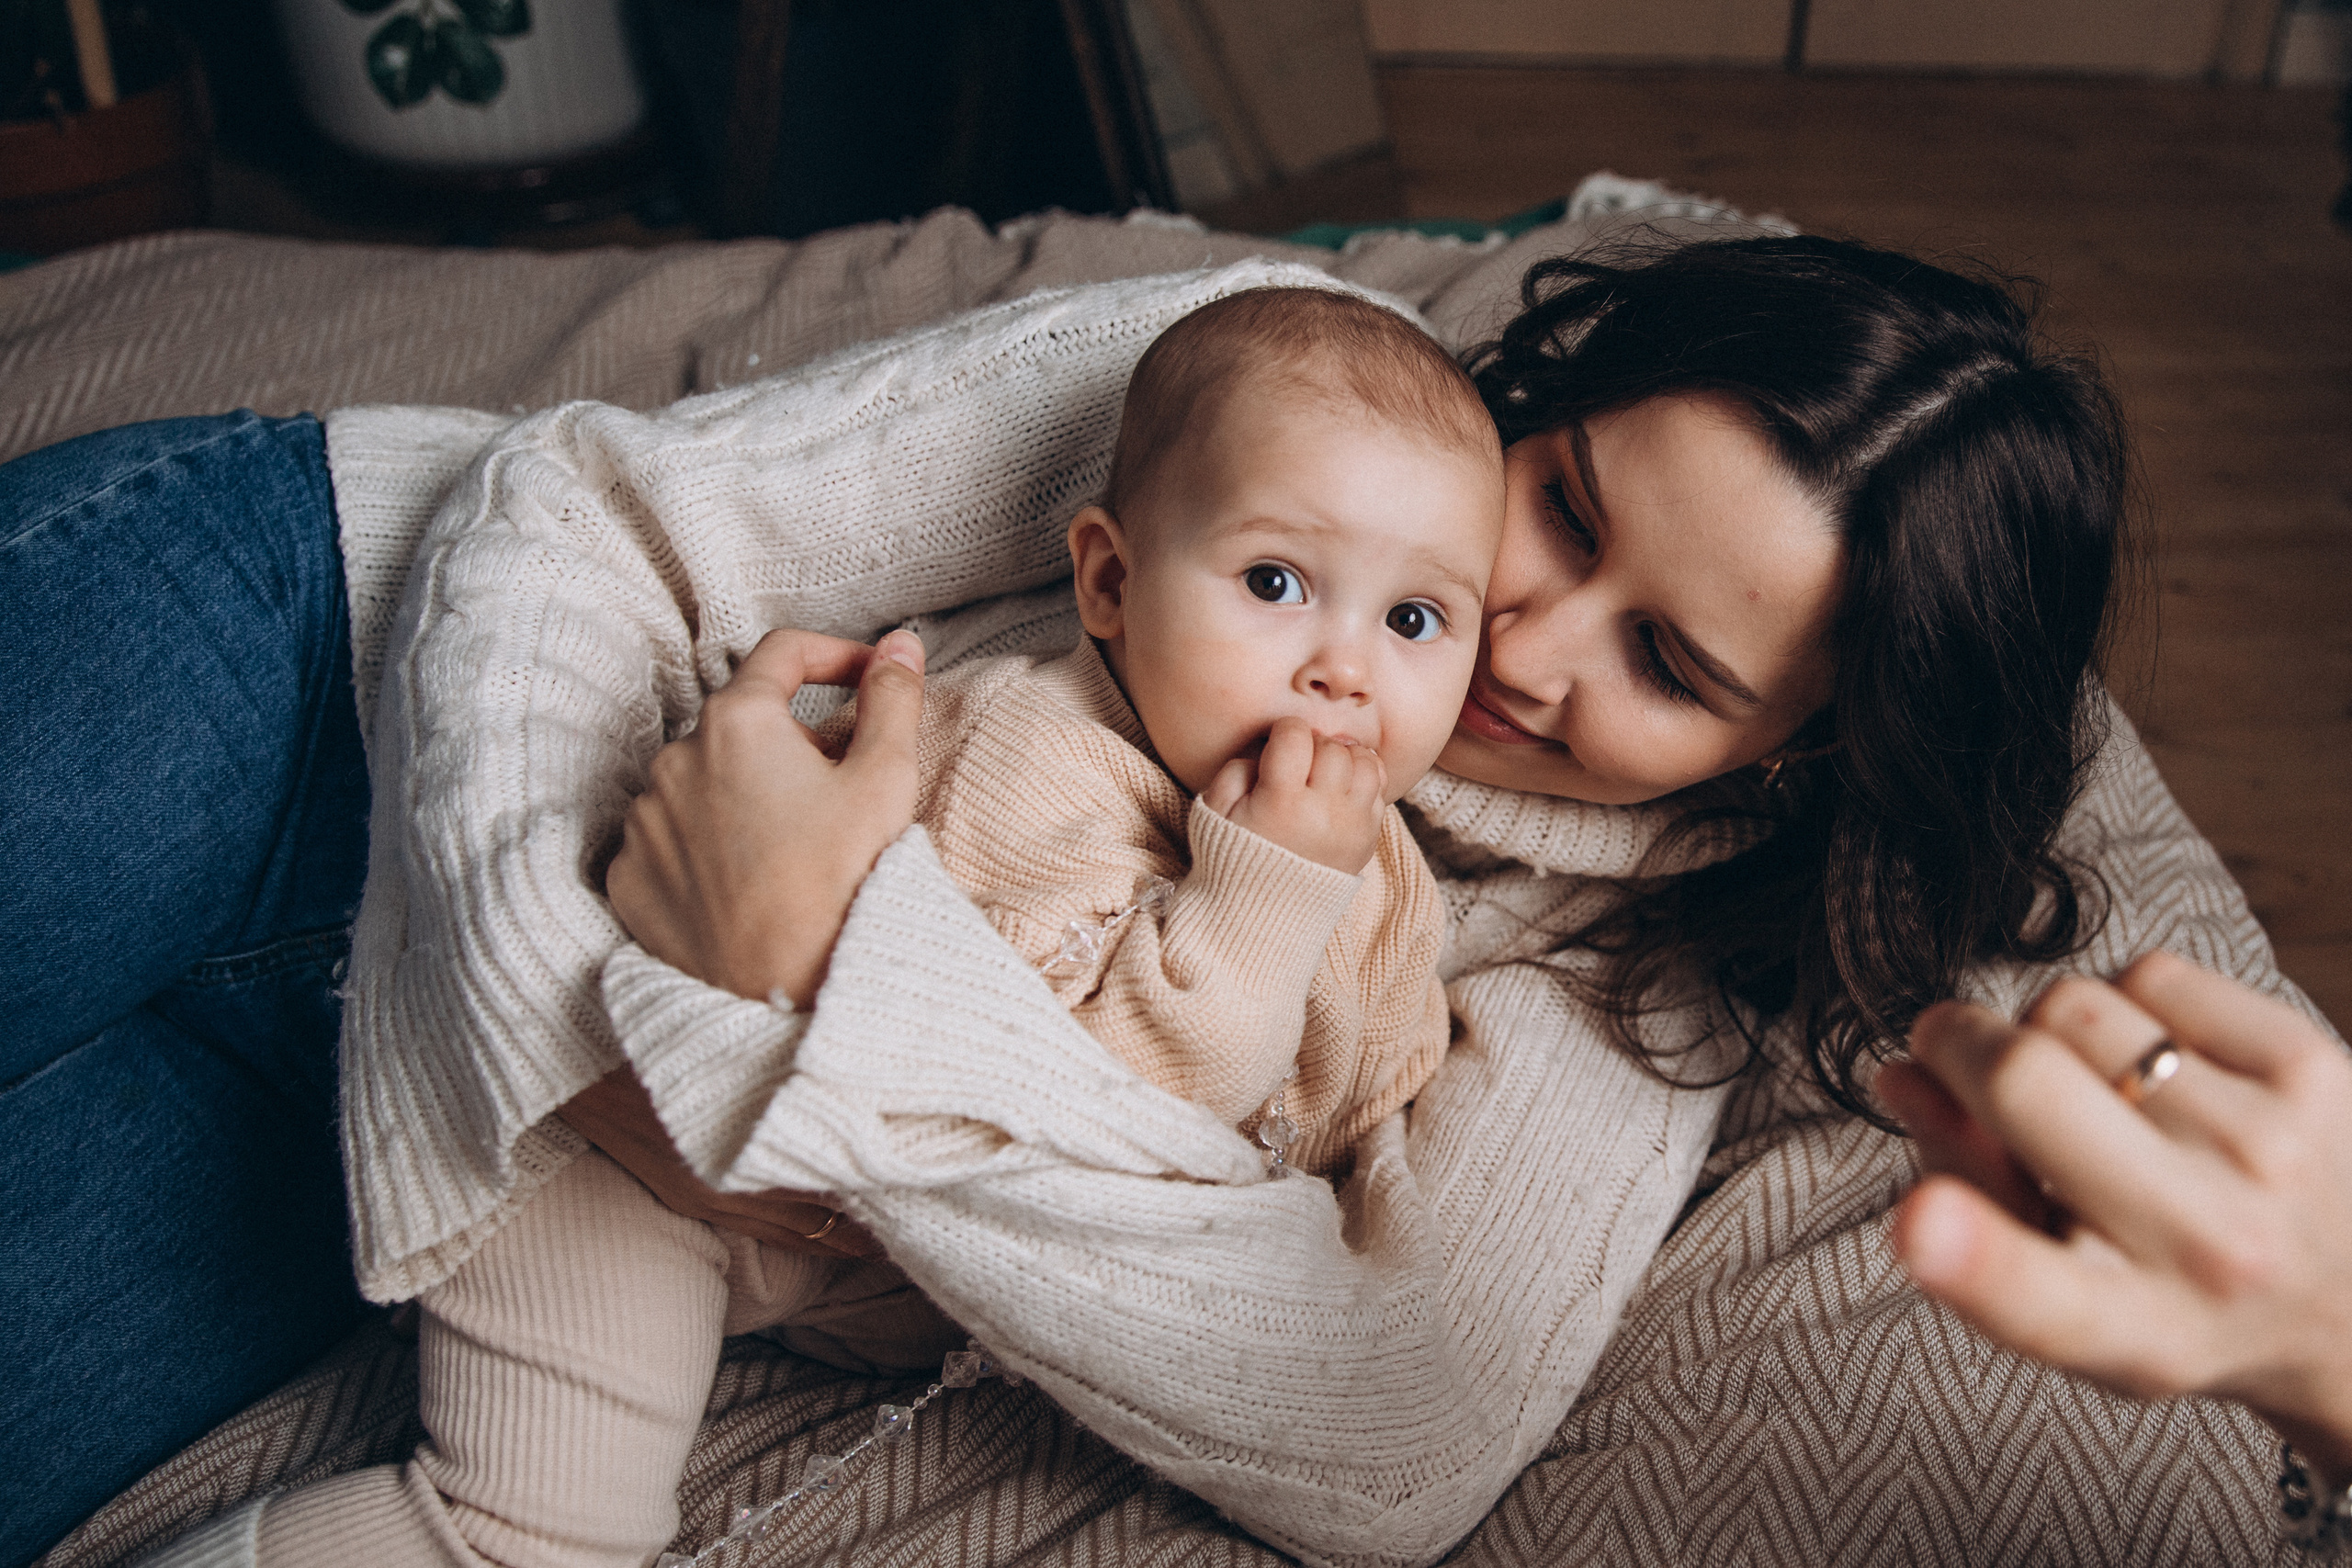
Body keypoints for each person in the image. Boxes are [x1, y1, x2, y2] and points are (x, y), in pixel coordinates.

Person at [0, 236, 2334, 1568]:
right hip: (334, 657)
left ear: (1793, 748)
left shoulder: (1633, 1007)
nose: (1516, 640)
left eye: (1664, 662)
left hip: (512, 1113)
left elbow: (1370, 1414)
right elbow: (596, 525)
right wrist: (549, 965)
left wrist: (803, 991)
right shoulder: (1299, 376)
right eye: (1567, 504)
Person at [234, 284, 1504, 1568]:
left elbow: (1344, 1118)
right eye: (1276, 581)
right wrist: (1259, 898)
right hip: (623, 1151)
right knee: (534, 1534)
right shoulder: (1039, 768)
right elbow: (1076, 1128)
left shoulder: (1386, 878)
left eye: (1413, 620)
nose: (1344, 669)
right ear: (1110, 581)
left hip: (828, 1264)